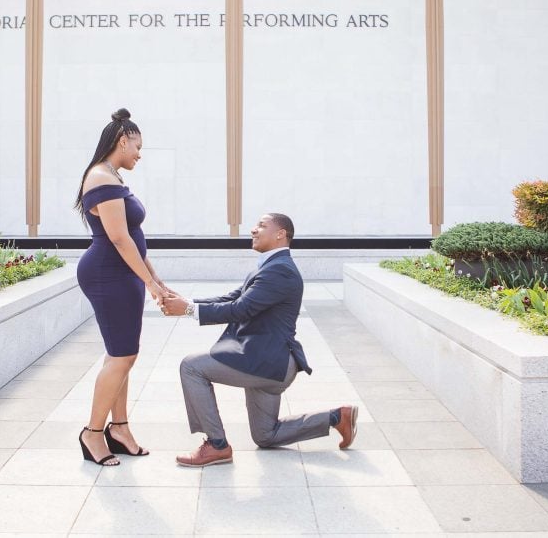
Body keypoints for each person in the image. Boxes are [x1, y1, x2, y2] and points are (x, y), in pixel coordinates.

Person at [160, 212, 358, 467]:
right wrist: (187, 303)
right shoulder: (271, 267)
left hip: (266, 362)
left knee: (192, 366)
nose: (253, 230)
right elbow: (231, 299)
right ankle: (336, 417)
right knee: (266, 436)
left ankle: (217, 445)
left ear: (280, 234)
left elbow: (240, 309)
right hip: (267, 361)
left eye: (261, 226)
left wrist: (186, 310)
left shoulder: (280, 271)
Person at [74, 108, 169, 466]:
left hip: (122, 273)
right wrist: (150, 283)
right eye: (137, 146)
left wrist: (155, 280)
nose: (139, 154)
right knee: (122, 355)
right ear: (122, 139)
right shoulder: (101, 178)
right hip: (108, 274)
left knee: (122, 353)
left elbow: (133, 237)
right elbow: (117, 237)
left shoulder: (110, 176)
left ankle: (120, 428)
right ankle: (93, 433)